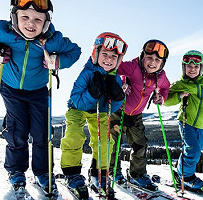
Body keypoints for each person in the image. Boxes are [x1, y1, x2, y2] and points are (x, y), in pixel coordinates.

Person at [0, 0, 81, 194]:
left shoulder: (51, 39)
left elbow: (75, 51)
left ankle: (43, 172)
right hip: (11, 89)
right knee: (18, 131)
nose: (31, 23)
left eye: (38, 19)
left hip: (39, 92)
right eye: (25, 17)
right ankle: (16, 171)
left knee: (42, 132)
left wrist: (58, 61)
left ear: (46, 21)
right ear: (14, 17)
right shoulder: (2, 31)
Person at [60, 32, 127, 199]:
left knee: (105, 140)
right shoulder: (87, 73)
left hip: (101, 111)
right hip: (77, 108)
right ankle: (72, 174)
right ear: (95, 53)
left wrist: (119, 96)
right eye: (104, 54)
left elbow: (113, 107)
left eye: (114, 56)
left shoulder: (115, 78)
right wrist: (92, 92)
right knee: (75, 136)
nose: (108, 59)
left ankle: (100, 174)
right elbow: (77, 100)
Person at [109, 39, 170, 191]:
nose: (152, 62)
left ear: (162, 64)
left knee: (140, 145)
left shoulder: (160, 77)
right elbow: (113, 69)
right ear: (143, 56)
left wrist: (161, 97)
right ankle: (112, 171)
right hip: (118, 111)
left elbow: (166, 87)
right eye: (149, 57)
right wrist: (121, 82)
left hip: (136, 116)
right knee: (113, 143)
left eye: (157, 60)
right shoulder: (132, 67)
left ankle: (137, 174)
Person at [164, 50, 203, 192]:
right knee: (192, 149)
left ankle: (179, 173)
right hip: (186, 122)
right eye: (189, 66)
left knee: (196, 148)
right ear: (184, 68)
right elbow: (166, 100)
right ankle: (187, 177)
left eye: (196, 66)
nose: (192, 69)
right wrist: (179, 95)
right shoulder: (180, 84)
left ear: (201, 68)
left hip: (200, 124)